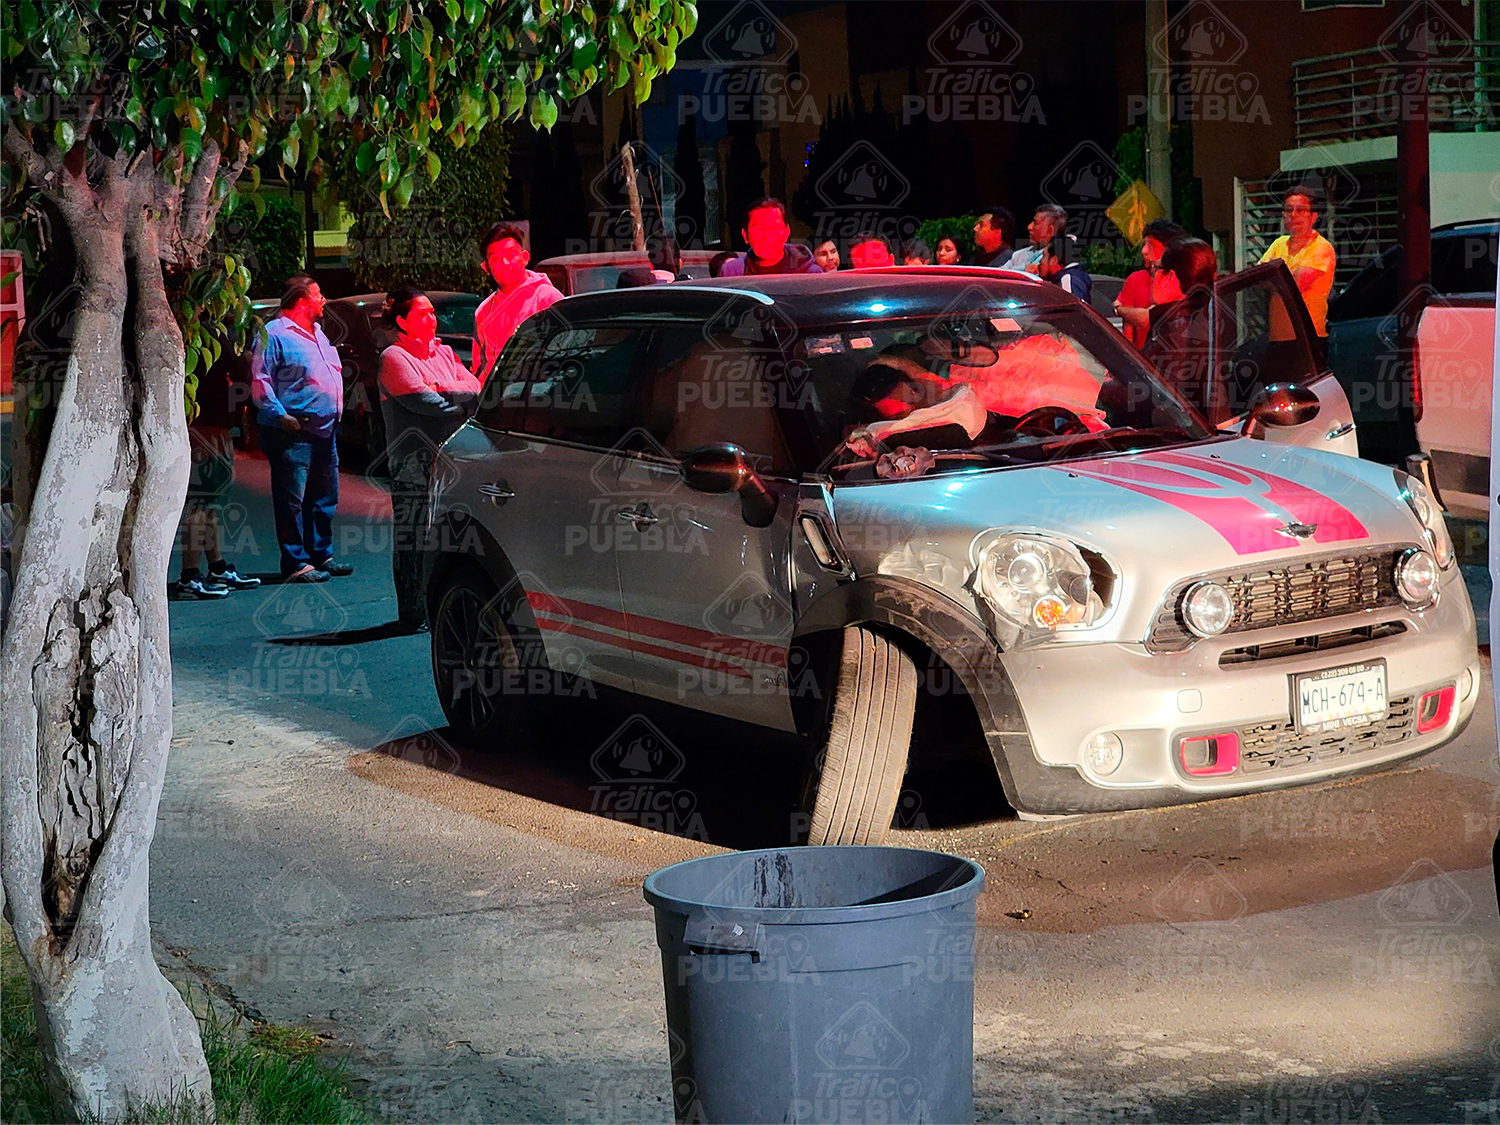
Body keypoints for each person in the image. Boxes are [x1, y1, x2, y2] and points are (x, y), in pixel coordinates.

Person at [378, 286, 483, 631]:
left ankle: (439, 606)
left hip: (449, 459)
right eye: (421, 313)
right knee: (412, 537)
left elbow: (475, 389)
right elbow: (421, 400)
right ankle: (412, 612)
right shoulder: (394, 357)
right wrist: (453, 403)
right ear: (402, 321)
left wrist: (446, 392)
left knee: (446, 536)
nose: (431, 319)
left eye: (431, 313)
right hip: (413, 463)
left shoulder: (445, 353)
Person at [250, 274, 351, 583]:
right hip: (294, 432)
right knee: (292, 500)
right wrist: (280, 416)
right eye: (318, 295)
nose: (323, 300)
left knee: (324, 497)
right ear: (302, 301)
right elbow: (260, 379)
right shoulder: (274, 334)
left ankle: (321, 553)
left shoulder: (318, 332)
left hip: (324, 430)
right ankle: (295, 561)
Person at [174, 345, 261, 599]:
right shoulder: (208, 337)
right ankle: (189, 577)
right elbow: (237, 378)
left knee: (211, 504)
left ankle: (216, 567)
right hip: (204, 428)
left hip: (217, 427)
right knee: (200, 502)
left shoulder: (220, 335)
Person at [471, 222, 564, 383]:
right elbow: (479, 366)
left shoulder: (548, 299)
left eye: (511, 254)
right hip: (497, 399)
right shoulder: (483, 312)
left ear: (525, 257)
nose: (505, 263)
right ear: (486, 268)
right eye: (496, 258)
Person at [1142, 237, 1222, 419]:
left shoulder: (1174, 330)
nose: (1152, 276)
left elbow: (1167, 408)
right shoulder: (1213, 315)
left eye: (1156, 269)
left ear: (1169, 277)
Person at [1259, 187, 1337, 365]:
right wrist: (1279, 278)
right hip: (1277, 339)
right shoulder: (1278, 244)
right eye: (1288, 210)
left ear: (1313, 217)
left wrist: (1276, 278)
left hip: (1307, 339)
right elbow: (1259, 280)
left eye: (1300, 210)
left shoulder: (1320, 248)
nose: (1293, 215)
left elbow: (1295, 285)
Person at [1115, 219, 1186, 347]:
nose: (1144, 251)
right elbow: (1128, 332)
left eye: (1151, 245)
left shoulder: (1183, 281)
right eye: (1145, 244)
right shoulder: (1135, 280)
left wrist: (1118, 309)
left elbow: (1147, 318)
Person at [719, 197, 823, 275]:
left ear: (786, 232)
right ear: (745, 235)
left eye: (775, 228)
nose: (767, 236)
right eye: (759, 229)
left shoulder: (810, 275)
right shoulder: (732, 273)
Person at [1004, 205, 1068, 272]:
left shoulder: (1057, 259)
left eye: (1036, 223)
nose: (1029, 227)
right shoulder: (1019, 254)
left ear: (1050, 230)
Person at [1037, 234, 1092, 304]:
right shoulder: (1075, 277)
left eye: (1044, 256)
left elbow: (1070, 313)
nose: (1040, 261)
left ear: (1054, 260)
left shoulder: (1066, 281)